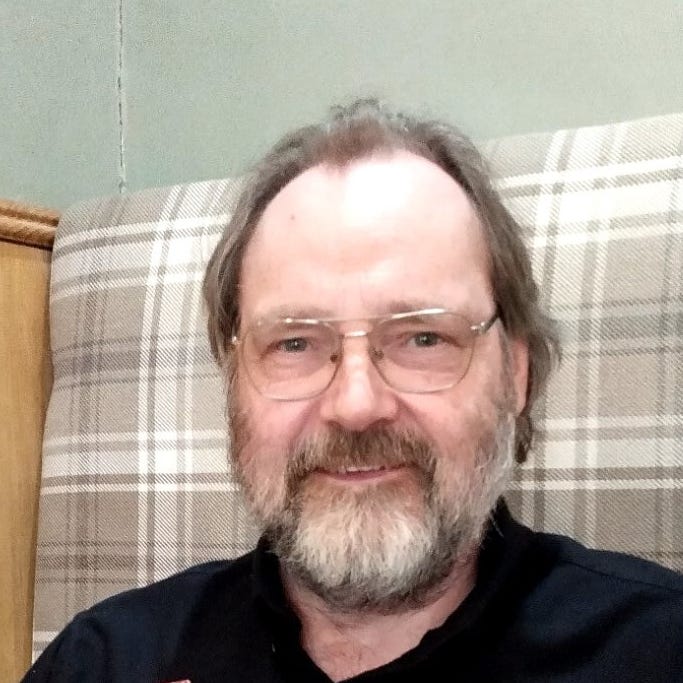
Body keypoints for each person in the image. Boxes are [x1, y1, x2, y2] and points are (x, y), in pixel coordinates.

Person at [23, 99, 682, 682]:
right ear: (235, 383)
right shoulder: (106, 659)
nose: (356, 404)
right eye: (294, 343)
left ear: (515, 374)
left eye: (422, 337)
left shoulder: (658, 649)